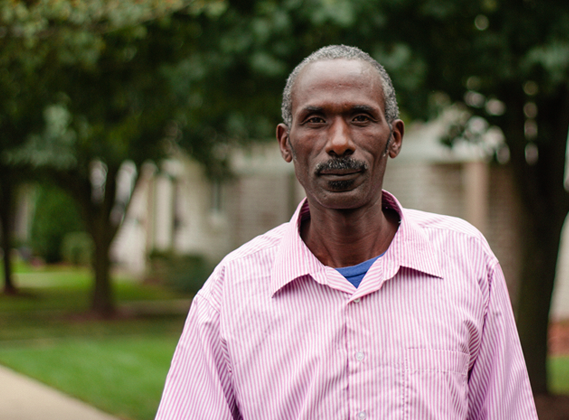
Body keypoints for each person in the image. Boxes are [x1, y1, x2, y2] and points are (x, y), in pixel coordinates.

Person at [155, 45, 538, 420]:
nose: (339, 142)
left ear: (394, 138)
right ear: (286, 143)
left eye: (361, 117)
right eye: (315, 120)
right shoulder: (231, 291)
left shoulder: (466, 261)